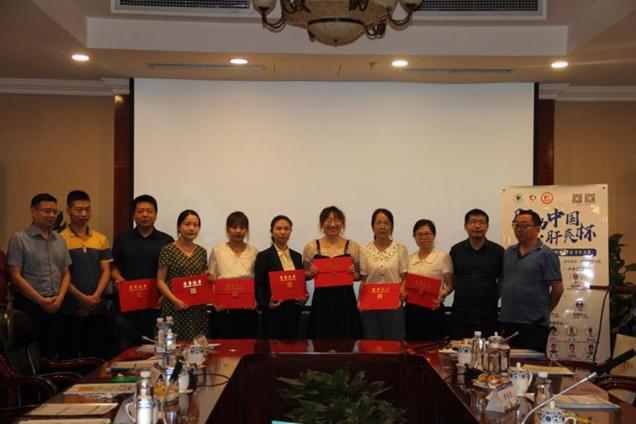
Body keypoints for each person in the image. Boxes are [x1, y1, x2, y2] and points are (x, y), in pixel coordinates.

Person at [7, 193, 71, 358]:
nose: (51, 215)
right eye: (47, 211)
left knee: (53, 351)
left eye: (54, 212)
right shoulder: (19, 239)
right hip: (30, 305)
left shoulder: (60, 240)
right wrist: (40, 300)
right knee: (30, 354)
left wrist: (60, 298)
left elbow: (66, 273)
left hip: (56, 304)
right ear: (33, 212)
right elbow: (15, 276)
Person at [111, 194, 174, 351]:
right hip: (127, 309)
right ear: (134, 214)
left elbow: (172, 274)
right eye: (140, 211)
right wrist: (119, 280)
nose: (145, 215)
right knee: (126, 352)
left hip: (156, 308)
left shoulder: (166, 240)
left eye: (149, 211)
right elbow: (114, 267)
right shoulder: (123, 238)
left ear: (156, 215)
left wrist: (164, 295)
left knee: (156, 352)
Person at [500, 209, 563, 353]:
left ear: (537, 228)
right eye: (516, 225)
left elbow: (558, 289)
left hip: (533, 324)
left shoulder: (546, 254)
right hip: (508, 320)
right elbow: (504, 281)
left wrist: (545, 310)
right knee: (507, 362)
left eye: (525, 225)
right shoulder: (509, 252)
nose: (519, 229)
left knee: (531, 362)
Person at [58, 190, 112, 359]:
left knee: (97, 356)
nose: (83, 214)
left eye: (87, 209)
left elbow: (106, 270)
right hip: (70, 309)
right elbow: (61, 275)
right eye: (78, 209)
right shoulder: (59, 239)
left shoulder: (100, 238)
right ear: (68, 210)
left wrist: (94, 298)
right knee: (70, 355)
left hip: (97, 307)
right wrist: (82, 299)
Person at [303, 206, 362, 339]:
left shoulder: (353, 246)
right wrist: (310, 273)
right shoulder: (311, 246)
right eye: (328, 220)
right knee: (321, 338)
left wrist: (354, 273)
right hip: (321, 300)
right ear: (321, 224)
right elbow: (304, 275)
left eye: (337, 220)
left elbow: (360, 276)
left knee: (347, 338)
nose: (333, 224)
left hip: (345, 299)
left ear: (342, 223)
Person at [448, 209, 504, 339]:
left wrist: (492, 299)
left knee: (488, 349)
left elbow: (502, 280)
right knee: (458, 350)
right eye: (473, 222)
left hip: (488, 315)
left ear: (487, 226)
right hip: (461, 315)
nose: (477, 226)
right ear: (465, 226)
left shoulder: (498, 251)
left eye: (481, 222)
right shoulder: (456, 250)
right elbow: (453, 277)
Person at [157, 210, 208, 339]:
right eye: (187, 224)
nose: (191, 228)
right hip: (173, 306)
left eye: (195, 225)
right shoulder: (168, 250)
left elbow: (201, 279)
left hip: (196, 309)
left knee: (196, 346)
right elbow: (160, 281)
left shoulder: (202, 251)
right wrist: (175, 300)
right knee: (172, 344)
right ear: (179, 227)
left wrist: (209, 278)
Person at [359, 208, 408, 340]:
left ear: (392, 227)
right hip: (370, 306)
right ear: (372, 226)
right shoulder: (364, 250)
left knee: (394, 345)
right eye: (378, 222)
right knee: (371, 345)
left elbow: (404, 278)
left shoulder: (400, 249)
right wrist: (361, 301)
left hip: (394, 306)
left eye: (386, 223)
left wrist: (402, 291)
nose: (382, 227)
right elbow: (364, 279)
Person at [254, 215, 307, 339]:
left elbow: (300, 282)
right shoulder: (264, 256)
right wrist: (267, 303)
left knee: (292, 346)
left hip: (294, 311)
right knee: (273, 347)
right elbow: (259, 284)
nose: (283, 232)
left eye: (286, 229)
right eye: (278, 228)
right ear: (272, 231)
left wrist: (304, 296)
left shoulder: (297, 256)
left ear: (290, 231)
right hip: (273, 312)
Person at [208, 211, 259, 338]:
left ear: (247, 230)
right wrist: (215, 301)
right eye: (234, 227)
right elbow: (211, 279)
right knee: (224, 347)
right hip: (223, 310)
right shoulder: (218, 251)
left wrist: (254, 300)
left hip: (247, 309)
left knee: (247, 346)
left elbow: (258, 281)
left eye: (242, 227)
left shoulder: (255, 252)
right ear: (227, 229)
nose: (238, 231)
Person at [406, 219, 453, 341]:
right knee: (413, 345)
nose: (423, 237)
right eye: (419, 234)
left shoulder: (442, 256)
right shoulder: (410, 258)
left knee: (433, 346)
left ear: (434, 235)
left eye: (427, 233)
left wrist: (441, 296)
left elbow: (450, 285)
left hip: (433, 309)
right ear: (414, 237)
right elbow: (405, 283)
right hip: (412, 310)